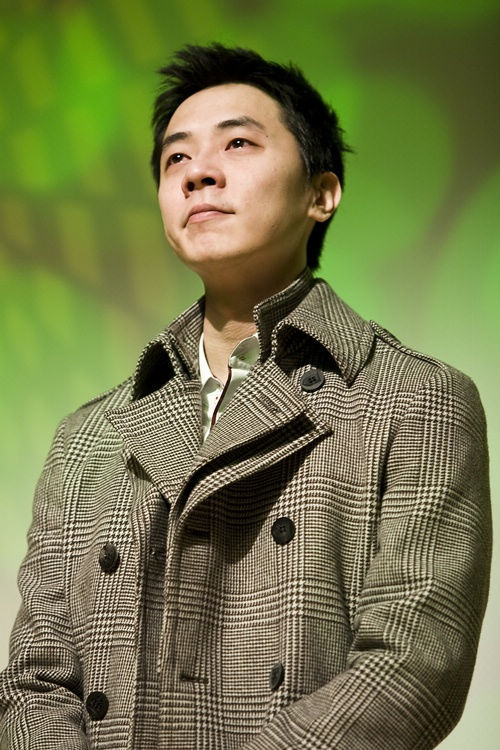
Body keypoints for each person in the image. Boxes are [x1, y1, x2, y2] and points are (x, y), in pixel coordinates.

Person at [0, 43, 491, 750]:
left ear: (321, 194)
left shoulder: (417, 400)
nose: (198, 172)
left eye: (238, 143)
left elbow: (411, 670)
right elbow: (36, 678)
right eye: (176, 158)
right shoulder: (88, 436)